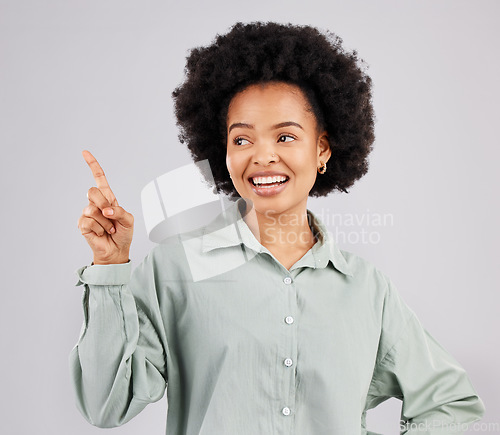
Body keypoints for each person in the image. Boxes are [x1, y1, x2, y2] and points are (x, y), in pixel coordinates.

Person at [71, 22, 485, 434]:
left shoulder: (367, 290)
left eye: (285, 137)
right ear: (223, 151)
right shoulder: (173, 271)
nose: (263, 156)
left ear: (322, 148)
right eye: (242, 139)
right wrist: (109, 267)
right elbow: (106, 406)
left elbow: (450, 404)